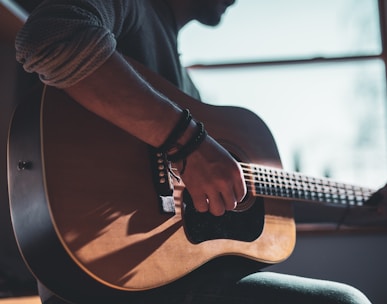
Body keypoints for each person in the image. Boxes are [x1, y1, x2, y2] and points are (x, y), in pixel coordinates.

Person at [14, 0, 387, 303]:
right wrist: (188, 143)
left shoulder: (186, 87)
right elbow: (50, 35)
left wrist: (365, 201)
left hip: (169, 276)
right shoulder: (132, 8)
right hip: (104, 282)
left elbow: (246, 191)